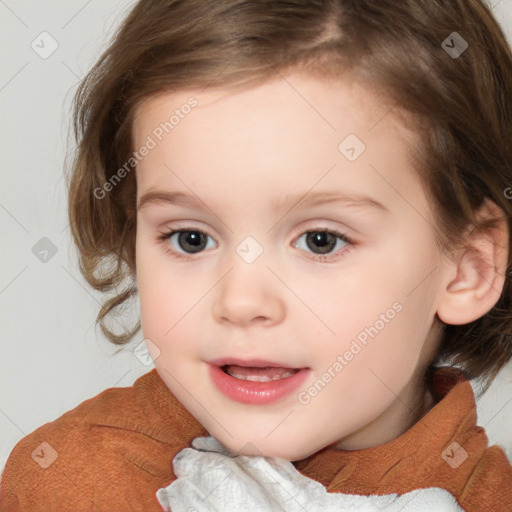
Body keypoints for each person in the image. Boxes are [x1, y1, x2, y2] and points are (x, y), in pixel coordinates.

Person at [2, 0, 512, 510]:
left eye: (321, 241)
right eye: (191, 238)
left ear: (469, 267)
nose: (241, 301)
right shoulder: (69, 482)